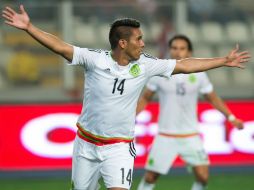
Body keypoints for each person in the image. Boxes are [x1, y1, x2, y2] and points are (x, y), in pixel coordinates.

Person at [2, 5, 250, 190]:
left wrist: (223, 61)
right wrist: (30, 27)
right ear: (122, 43)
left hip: (119, 147)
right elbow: (61, 46)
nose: (143, 43)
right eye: (138, 39)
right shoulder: (94, 59)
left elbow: (185, 65)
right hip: (86, 144)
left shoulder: (146, 65)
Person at [137, 35, 244, 190]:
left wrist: (231, 117)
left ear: (189, 51)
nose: (177, 52)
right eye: (174, 48)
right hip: (166, 135)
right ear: (169, 50)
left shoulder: (199, 74)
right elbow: (146, 98)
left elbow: (213, 98)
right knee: (150, 177)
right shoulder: (159, 72)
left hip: (190, 135)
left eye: (182, 48)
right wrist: (131, 116)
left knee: (203, 177)